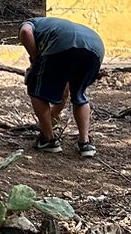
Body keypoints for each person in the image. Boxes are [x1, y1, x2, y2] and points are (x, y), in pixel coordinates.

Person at [19, 16, 104, 156]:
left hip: (63, 44)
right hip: (95, 47)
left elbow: (25, 33)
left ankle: (48, 140)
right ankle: (85, 144)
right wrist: (54, 113)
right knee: (79, 94)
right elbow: (64, 89)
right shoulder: (54, 25)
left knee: (35, 87)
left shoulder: (31, 23)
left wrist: (34, 60)